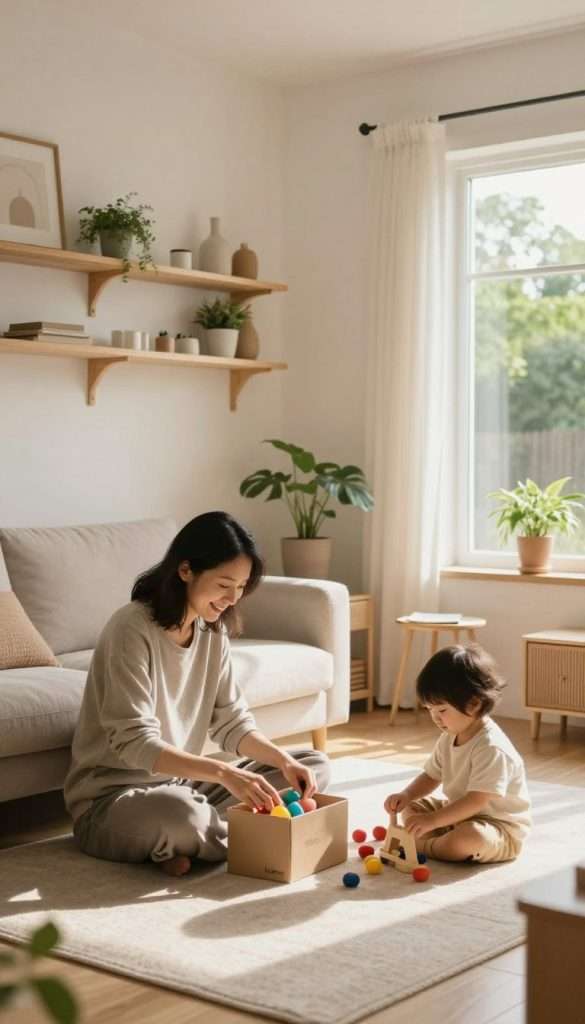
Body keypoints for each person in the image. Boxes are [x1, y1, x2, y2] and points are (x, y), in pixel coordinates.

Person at [64, 511, 329, 877]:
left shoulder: (211, 631)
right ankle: (238, 836)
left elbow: (231, 723)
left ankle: (189, 843)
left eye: (241, 587)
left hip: (181, 784)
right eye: (224, 585)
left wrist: (283, 760)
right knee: (181, 815)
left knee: (311, 766)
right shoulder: (130, 629)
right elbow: (135, 743)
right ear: (185, 570)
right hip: (112, 801)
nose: (232, 598)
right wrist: (223, 773)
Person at [384, 644, 531, 863]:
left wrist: (433, 822)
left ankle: (425, 845)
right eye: (430, 710)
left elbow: (477, 800)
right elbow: (431, 776)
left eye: (442, 710)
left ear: (473, 704)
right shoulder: (449, 736)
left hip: (496, 827)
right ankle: (438, 839)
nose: (435, 718)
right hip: (457, 815)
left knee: (467, 839)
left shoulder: (491, 747)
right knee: (413, 808)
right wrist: (406, 795)